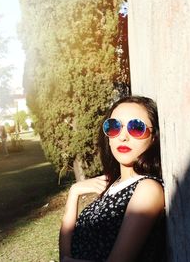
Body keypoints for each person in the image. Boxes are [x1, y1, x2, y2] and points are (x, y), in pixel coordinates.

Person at [59, 96, 166, 262]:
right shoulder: (115, 185)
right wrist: (74, 193)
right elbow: (65, 255)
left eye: (136, 127)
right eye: (114, 126)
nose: (123, 137)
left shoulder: (147, 189)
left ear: (154, 137)